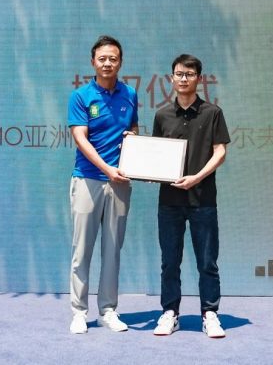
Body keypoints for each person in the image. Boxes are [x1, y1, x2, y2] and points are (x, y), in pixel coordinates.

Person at [151, 54, 230, 338]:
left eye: (189, 74)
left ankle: (210, 314)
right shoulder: (162, 115)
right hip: (169, 202)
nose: (183, 79)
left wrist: (196, 177)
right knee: (169, 262)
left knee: (207, 262)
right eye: (179, 74)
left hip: (203, 200)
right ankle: (170, 313)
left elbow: (220, 152)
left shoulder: (212, 113)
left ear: (199, 78)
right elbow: (156, 155)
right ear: (171, 78)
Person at [68, 35, 138, 335]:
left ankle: (108, 310)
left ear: (120, 62)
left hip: (120, 182)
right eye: (102, 58)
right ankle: (79, 312)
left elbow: (132, 129)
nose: (108, 63)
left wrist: (134, 143)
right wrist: (107, 168)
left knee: (112, 250)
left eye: (113, 58)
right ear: (93, 62)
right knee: (82, 250)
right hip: (88, 179)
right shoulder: (81, 96)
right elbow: (80, 138)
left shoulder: (130, 94)